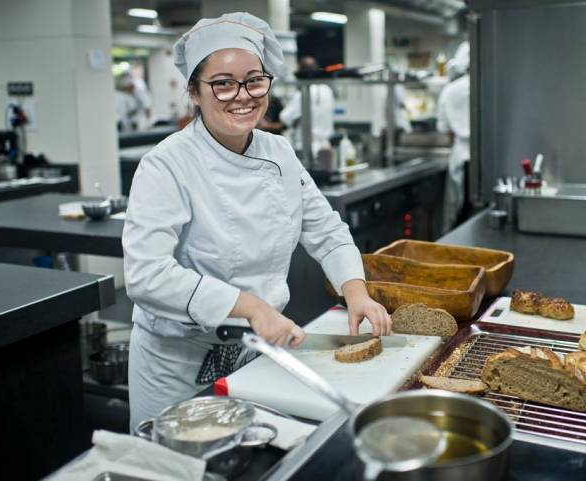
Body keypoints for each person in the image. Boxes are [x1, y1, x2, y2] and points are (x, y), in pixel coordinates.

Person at [122, 12, 391, 431]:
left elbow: (326, 229)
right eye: (222, 83)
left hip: (255, 352)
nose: (242, 95)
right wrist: (251, 307)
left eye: (254, 80)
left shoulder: (278, 151)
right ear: (194, 91)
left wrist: (355, 292)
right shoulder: (166, 165)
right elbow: (146, 275)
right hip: (176, 362)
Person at [436, 42, 470, 231]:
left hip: (460, 156)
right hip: (485, 160)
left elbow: (444, 130)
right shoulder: (489, 86)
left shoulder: (450, 90)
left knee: (456, 214)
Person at [279, 56, 335, 154]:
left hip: (305, 147)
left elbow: (285, 118)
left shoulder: (304, 92)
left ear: (301, 72)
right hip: (326, 147)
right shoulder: (327, 90)